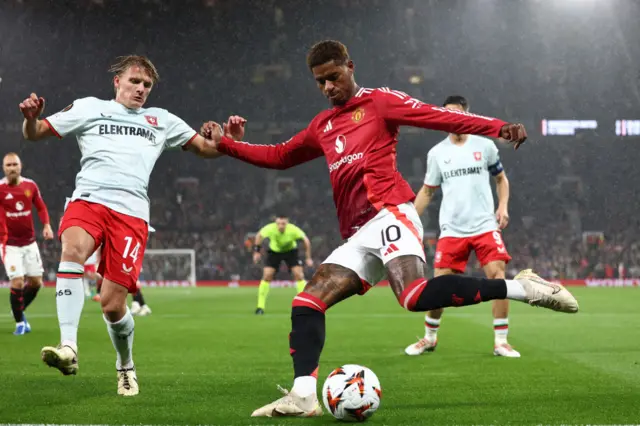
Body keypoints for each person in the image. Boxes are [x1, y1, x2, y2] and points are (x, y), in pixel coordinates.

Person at [202, 40, 579, 417]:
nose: (328, 88)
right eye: (320, 82)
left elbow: (440, 117)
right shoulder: (323, 125)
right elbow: (281, 155)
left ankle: (523, 288)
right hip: (356, 235)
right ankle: (303, 395)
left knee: (413, 296)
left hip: (390, 213)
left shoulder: (379, 103)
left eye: (333, 77)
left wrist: (497, 127)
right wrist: (229, 146)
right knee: (306, 303)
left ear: (350, 66)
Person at [19, 55, 230, 396]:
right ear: (116, 81)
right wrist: (30, 120)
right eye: (135, 81)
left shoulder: (161, 120)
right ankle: (69, 347)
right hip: (88, 199)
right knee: (72, 251)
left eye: (147, 85)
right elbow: (36, 133)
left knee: (112, 305)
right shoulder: (89, 108)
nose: (141, 89)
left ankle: (125, 365)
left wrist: (227, 139)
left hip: (131, 214)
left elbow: (207, 148)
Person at [404, 95, 518, 358]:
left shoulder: (485, 145)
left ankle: (501, 341)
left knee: (497, 276)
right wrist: (408, 221)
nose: (451, 117)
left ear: (467, 114)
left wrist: (502, 207)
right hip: (452, 229)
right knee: (439, 286)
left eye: (456, 113)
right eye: (446, 114)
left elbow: (501, 179)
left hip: (484, 225)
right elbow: (427, 191)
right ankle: (429, 338)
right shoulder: (437, 153)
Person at [0, 152, 53, 335]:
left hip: (30, 243)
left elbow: (40, 206)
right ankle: (19, 323)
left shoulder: (30, 186)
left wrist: (46, 225)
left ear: (20, 166)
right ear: (4, 168)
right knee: (17, 281)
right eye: (8, 165)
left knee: (36, 283)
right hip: (10, 244)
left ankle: (19, 310)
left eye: (15, 164)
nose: (12, 168)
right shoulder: (0, 189)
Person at [253, 214, 314, 315]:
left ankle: (305, 306)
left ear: (287, 223)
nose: (281, 226)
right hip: (274, 252)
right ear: (275, 223)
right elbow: (259, 236)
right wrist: (256, 252)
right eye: (279, 223)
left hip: (291, 252)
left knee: (299, 275)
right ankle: (260, 307)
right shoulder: (270, 228)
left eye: (283, 224)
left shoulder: (293, 230)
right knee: (267, 275)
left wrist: (308, 258)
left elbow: (306, 241)